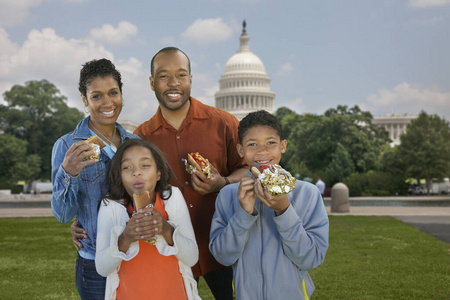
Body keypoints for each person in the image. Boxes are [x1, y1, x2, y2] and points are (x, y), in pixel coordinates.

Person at [133, 47, 248, 299]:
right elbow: (129, 189)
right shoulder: (141, 139)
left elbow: (249, 169)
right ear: (152, 83)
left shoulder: (224, 123)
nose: (173, 83)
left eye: (181, 75)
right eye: (163, 76)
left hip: (224, 245)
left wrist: (223, 182)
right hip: (172, 249)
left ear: (191, 80)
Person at [209, 110, 329, 300]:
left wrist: (284, 210)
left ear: (283, 146)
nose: (262, 151)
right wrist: (243, 214)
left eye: (270, 143)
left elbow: (311, 258)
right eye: (252, 144)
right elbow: (223, 256)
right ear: (241, 150)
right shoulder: (227, 195)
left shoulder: (308, 193)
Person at [51, 58, 139, 300]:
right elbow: (62, 214)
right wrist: (68, 173)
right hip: (94, 263)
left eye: (113, 93)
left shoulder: (136, 144)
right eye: (97, 96)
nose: (107, 103)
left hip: (137, 256)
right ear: (84, 99)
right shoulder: (67, 146)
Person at [95, 139, 200, 300]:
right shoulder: (110, 206)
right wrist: (125, 238)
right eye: (127, 167)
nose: (136, 172)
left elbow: (192, 257)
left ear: (158, 173)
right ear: (120, 176)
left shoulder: (172, 197)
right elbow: (102, 268)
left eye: (145, 165)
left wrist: (166, 229)